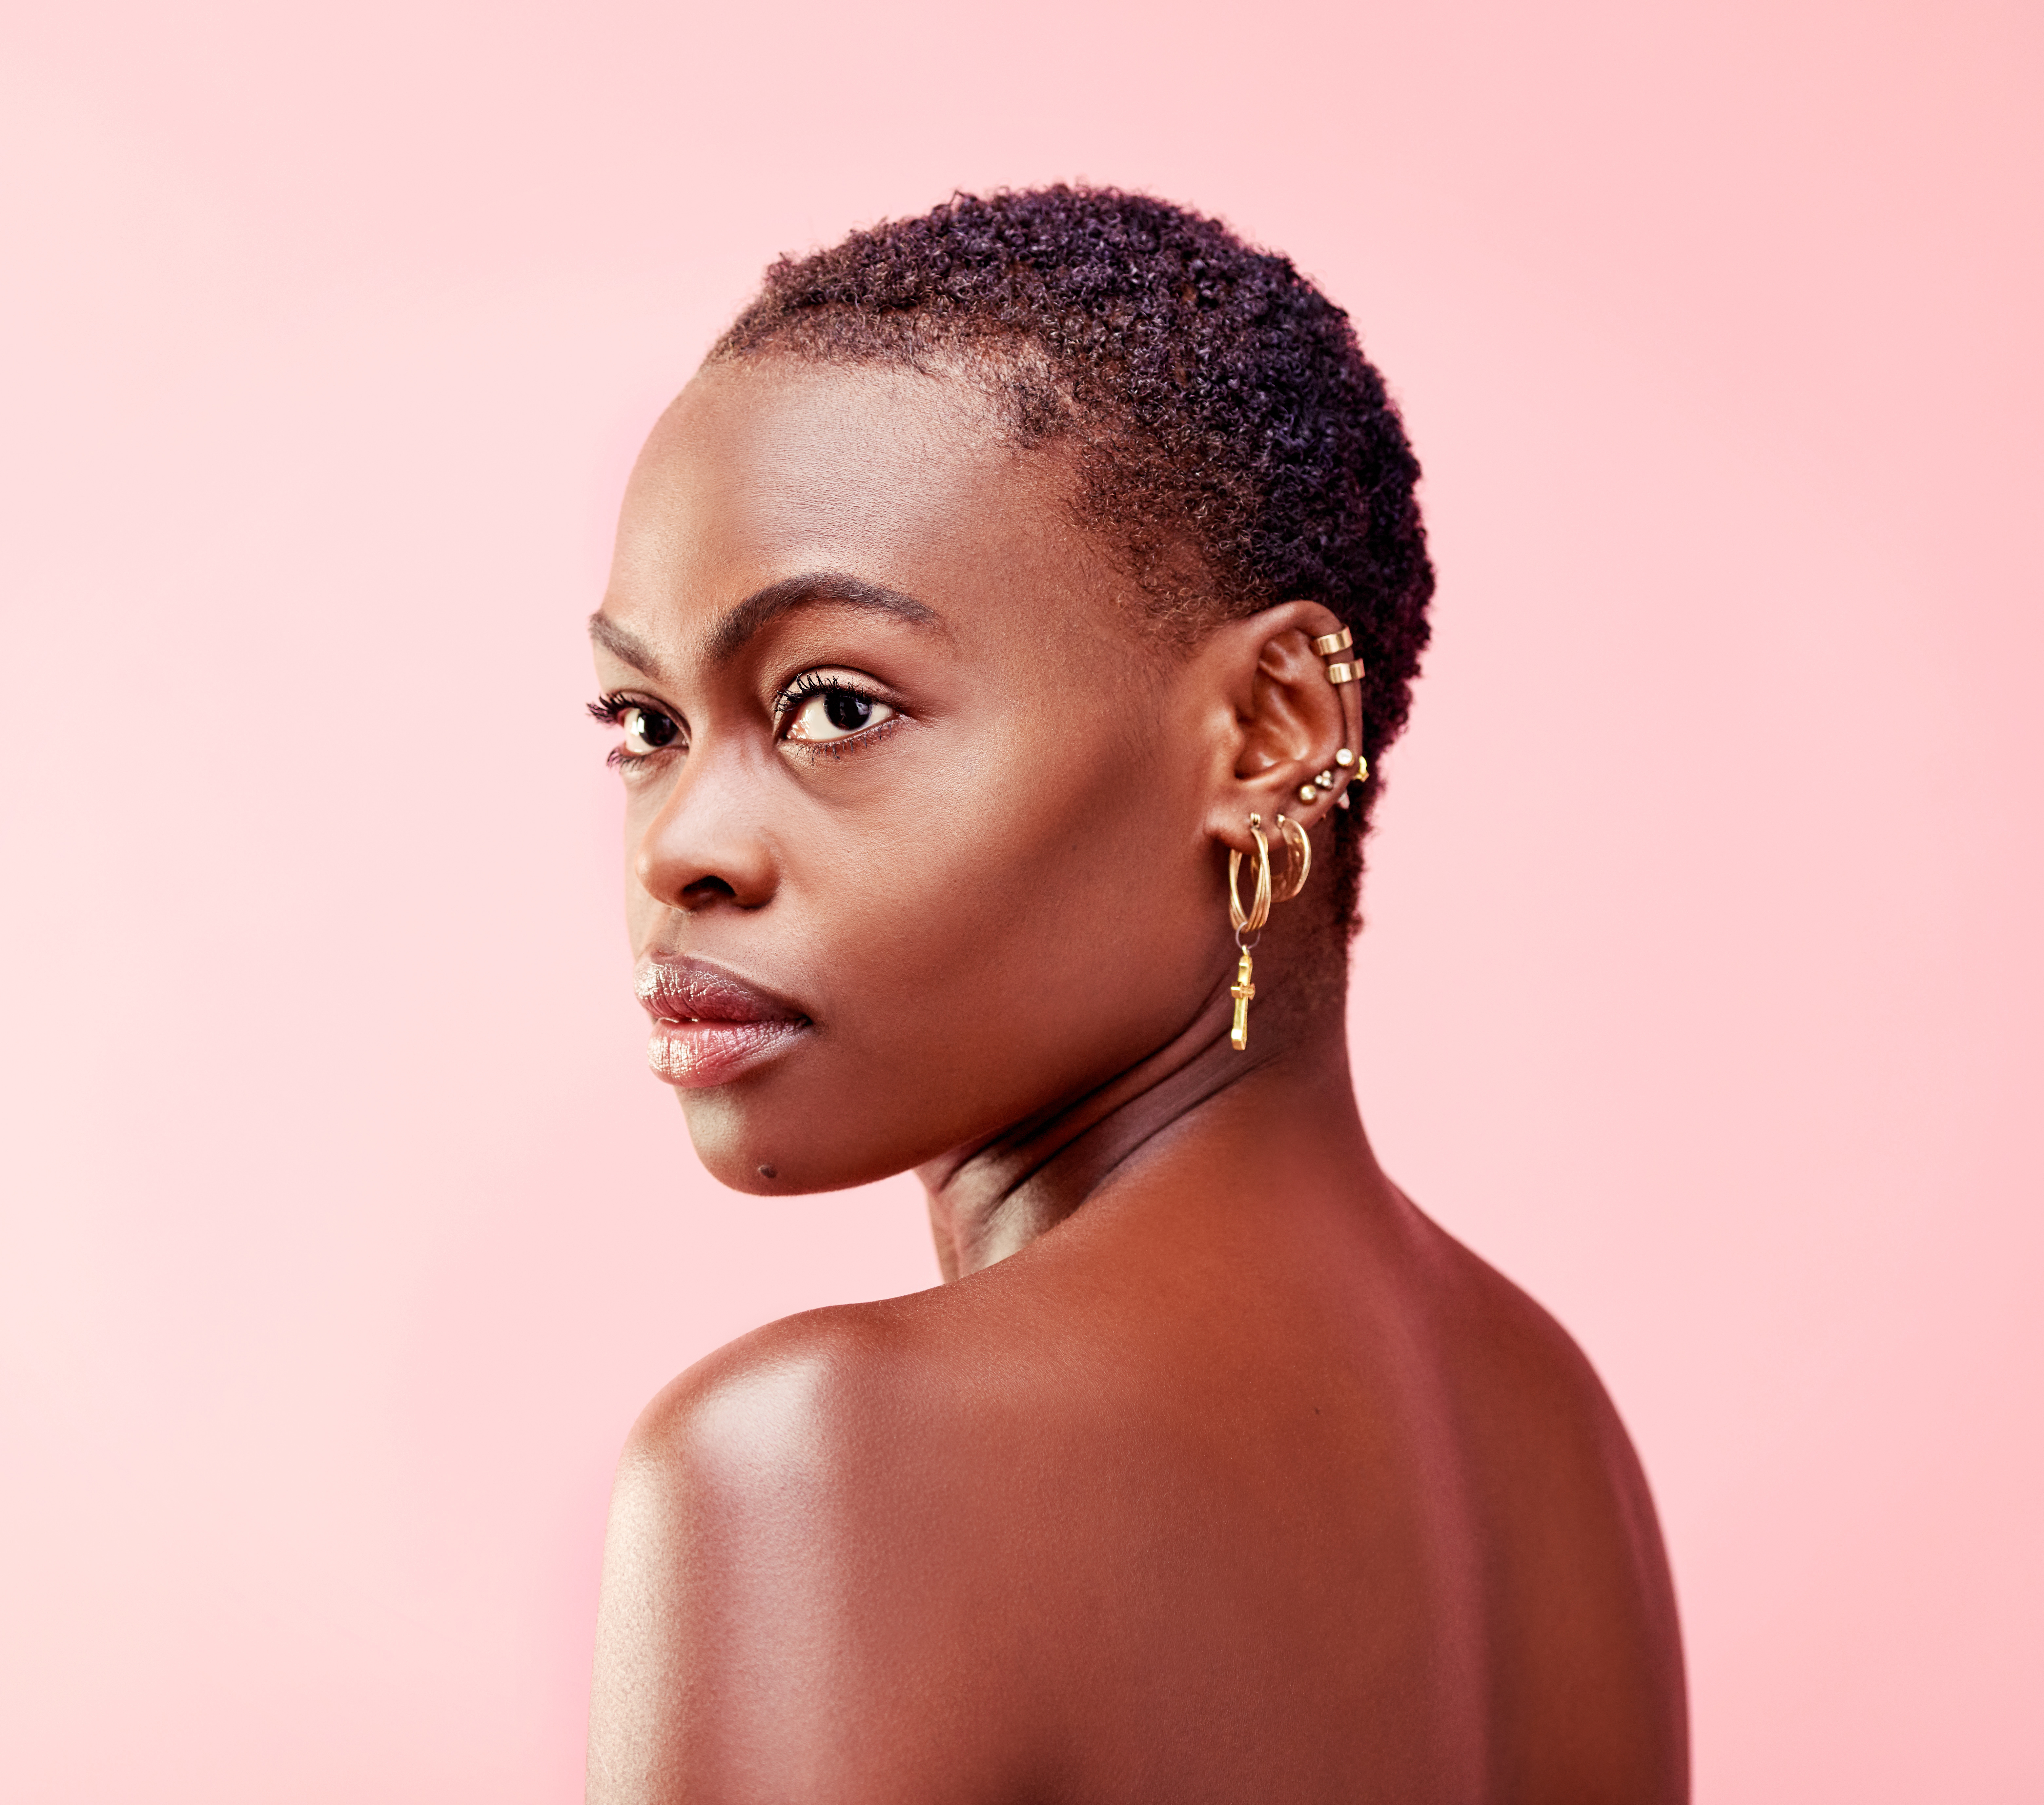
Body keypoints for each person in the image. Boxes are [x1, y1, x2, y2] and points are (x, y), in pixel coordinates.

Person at [583, 186, 1687, 1804]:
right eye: (644, 724)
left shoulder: (820, 1458)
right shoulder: (1555, 1430)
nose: (684, 845)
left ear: (1268, 733)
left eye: (833, 705)